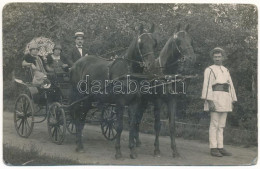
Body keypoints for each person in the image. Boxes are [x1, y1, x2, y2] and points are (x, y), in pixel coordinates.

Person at [201, 47, 237, 157]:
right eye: (215, 57)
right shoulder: (209, 69)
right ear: (212, 58)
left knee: (221, 125)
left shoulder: (226, 70)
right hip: (215, 98)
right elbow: (207, 86)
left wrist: (232, 100)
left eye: (219, 56)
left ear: (223, 57)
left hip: (225, 99)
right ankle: (213, 148)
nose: (217, 59)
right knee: (214, 124)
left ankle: (220, 147)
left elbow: (230, 86)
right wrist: (210, 101)